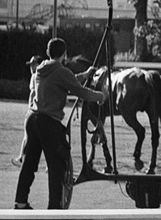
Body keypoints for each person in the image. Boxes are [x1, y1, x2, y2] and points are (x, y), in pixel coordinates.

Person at [13, 39, 107, 210]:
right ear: (64, 54)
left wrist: (85, 75)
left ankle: (20, 202)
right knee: (57, 165)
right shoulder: (61, 71)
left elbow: (65, 80)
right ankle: (54, 207)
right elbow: (80, 91)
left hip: (32, 119)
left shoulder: (41, 70)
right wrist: (100, 96)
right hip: (49, 122)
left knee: (29, 164)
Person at [11, 53, 45, 166]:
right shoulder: (42, 76)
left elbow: (33, 94)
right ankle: (48, 165)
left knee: (28, 136)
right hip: (40, 111)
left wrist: (30, 108)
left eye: (33, 64)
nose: (31, 67)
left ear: (39, 64)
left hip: (33, 110)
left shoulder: (36, 76)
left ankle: (21, 158)